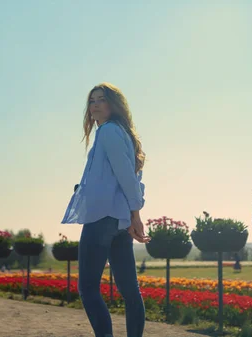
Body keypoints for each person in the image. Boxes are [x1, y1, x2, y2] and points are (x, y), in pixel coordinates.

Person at [62, 83, 150, 337]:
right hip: (119, 221)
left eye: (102, 99)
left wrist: (136, 214)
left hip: (103, 218)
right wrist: (131, 215)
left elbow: (126, 176)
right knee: (130, 291)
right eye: (92, 101)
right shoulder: (119, 132)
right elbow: (128, 177)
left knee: (88, 288)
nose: (96, 105)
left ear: (114, 104)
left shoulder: (109, 132)